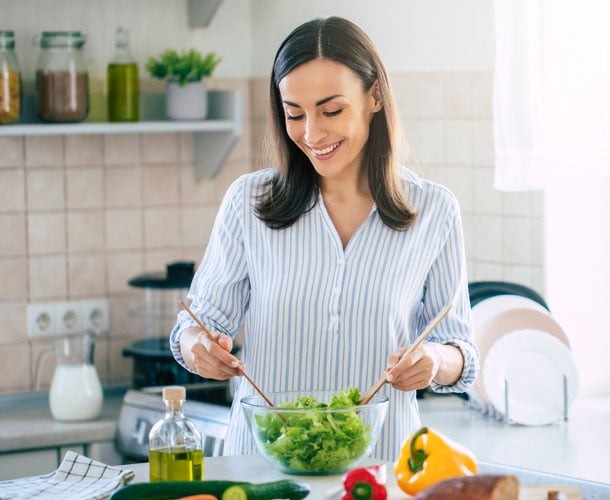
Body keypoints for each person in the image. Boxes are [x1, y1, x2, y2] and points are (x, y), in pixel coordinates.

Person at [169, 16, 479, 461]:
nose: (312, 135)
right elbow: (194, 326)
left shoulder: (434, 211)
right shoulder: (248, 202)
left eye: (331, 111)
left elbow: (462, 352)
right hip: (263, 472)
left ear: (375, 96)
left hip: (379, 473)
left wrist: (435, 361)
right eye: (295, 114)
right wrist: (198, 348)